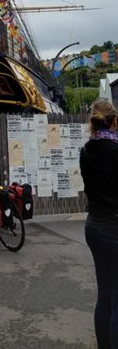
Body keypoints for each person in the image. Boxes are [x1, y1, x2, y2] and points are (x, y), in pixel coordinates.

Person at [80, 98, 118, 348]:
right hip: (115, 227)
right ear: (114, 121)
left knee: (104, 296)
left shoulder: (86, 150)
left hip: (94, 226)